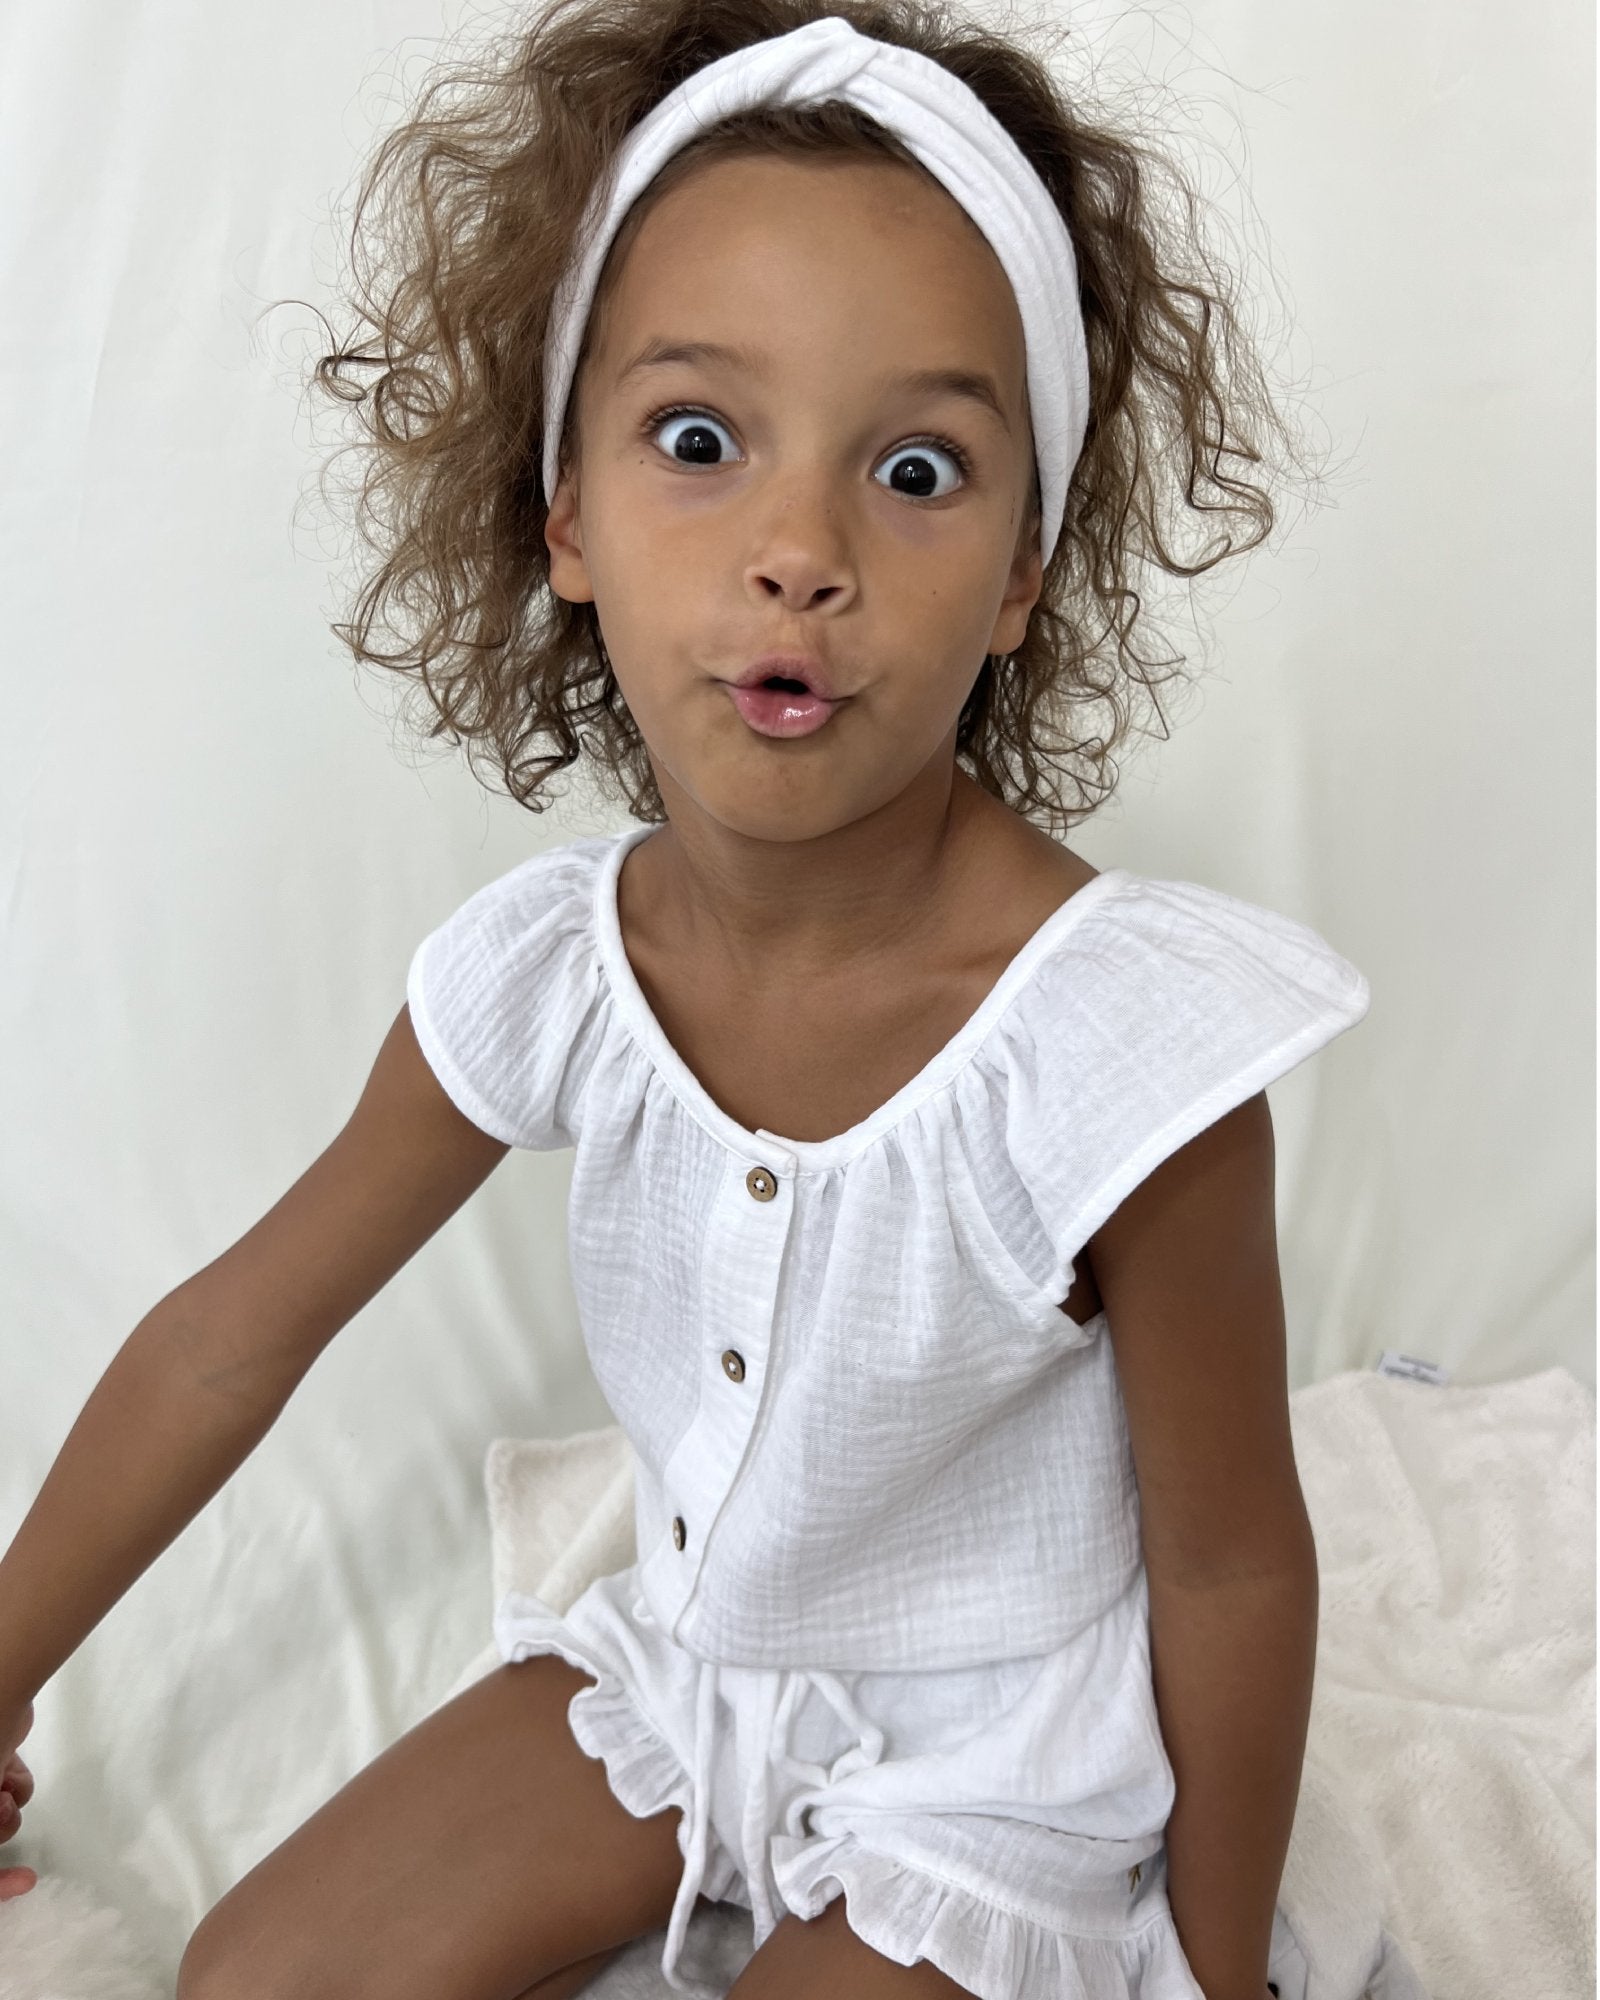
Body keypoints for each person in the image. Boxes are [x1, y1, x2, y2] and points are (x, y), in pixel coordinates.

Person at [0, 4, 1371, 1997]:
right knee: (250, 1979)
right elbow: (232, 1335)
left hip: (999, 1762)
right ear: (564, 515)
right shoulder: (556, 967)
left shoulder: (1115, 1048)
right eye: (699, 442)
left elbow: (1233, 1557)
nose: (797, 553)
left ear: (1017, 572)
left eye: (913, 469)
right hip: (690, 1659)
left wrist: (1222, 1966)